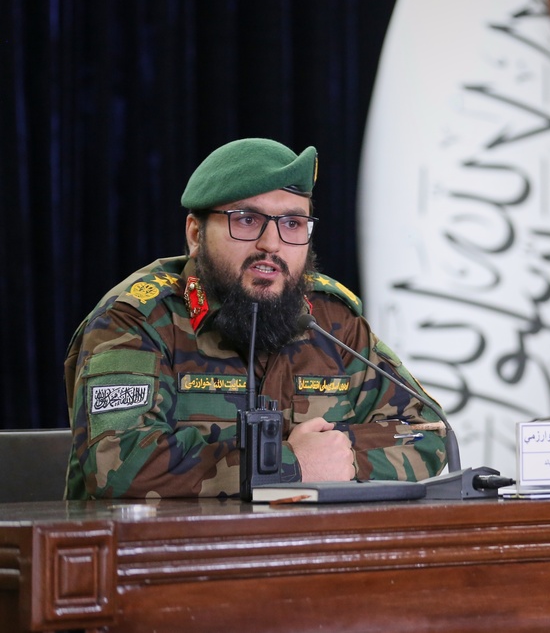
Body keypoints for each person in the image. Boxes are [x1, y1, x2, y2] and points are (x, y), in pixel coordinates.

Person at [64, 138, 448, 499]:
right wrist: (289, 466)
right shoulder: (137, 320)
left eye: (292, 223)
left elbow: (428, 433)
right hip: (166, 547)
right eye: (247, 220)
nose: (271, 243)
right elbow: (120, 464)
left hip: (309, 545)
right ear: (196, 234)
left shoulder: (331, 321)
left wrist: (337, 457)